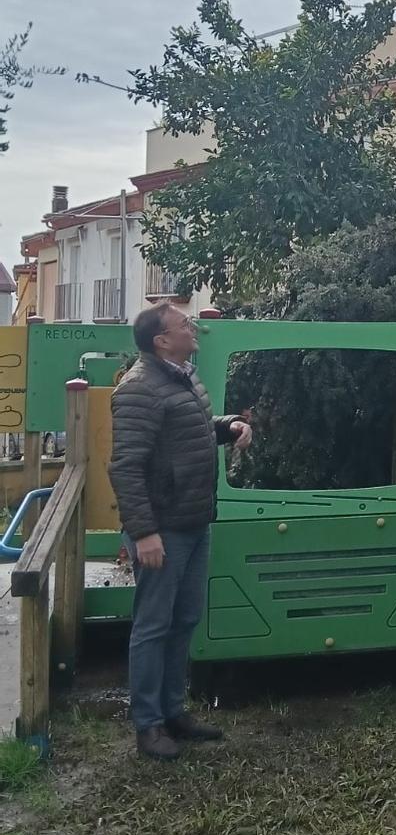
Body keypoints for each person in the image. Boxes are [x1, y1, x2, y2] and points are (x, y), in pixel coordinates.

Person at [108, 304, 252, 762]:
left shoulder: (181, 377)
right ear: (161, 341)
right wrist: (144, 532)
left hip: (193, 521)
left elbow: (190, 432)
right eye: (184, 326)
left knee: (184, 619)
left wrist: (226, 427)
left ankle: (173, 713)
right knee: (153, 626)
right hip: (162, 530)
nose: (194, 329)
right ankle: (148, 726)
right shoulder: (138, 390)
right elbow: (126, 468)